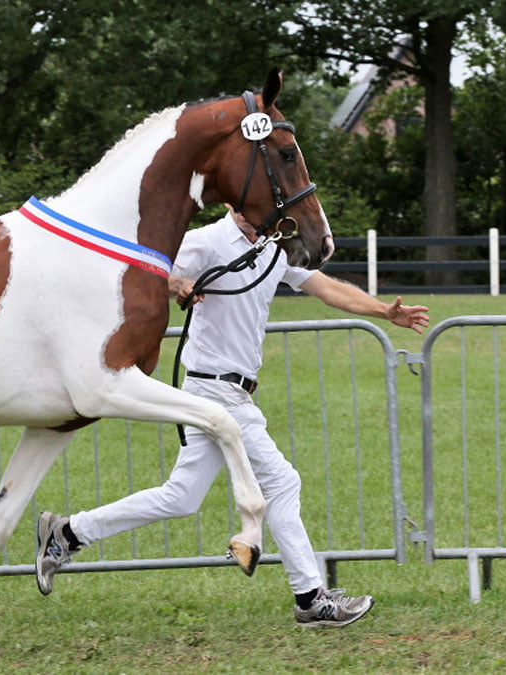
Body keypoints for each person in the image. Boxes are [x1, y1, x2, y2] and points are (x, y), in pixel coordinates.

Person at [35, 206, 429, 628]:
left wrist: (384, 311)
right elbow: (149, 272)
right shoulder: (206, 241)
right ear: (230, 203)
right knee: (281, 481)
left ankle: (69, 533)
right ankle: (311, 598)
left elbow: (325, 287)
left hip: (231, 390)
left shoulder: (272, 246)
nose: (250, 213)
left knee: (182, 496)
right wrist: (180, 283)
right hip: (213, 389)